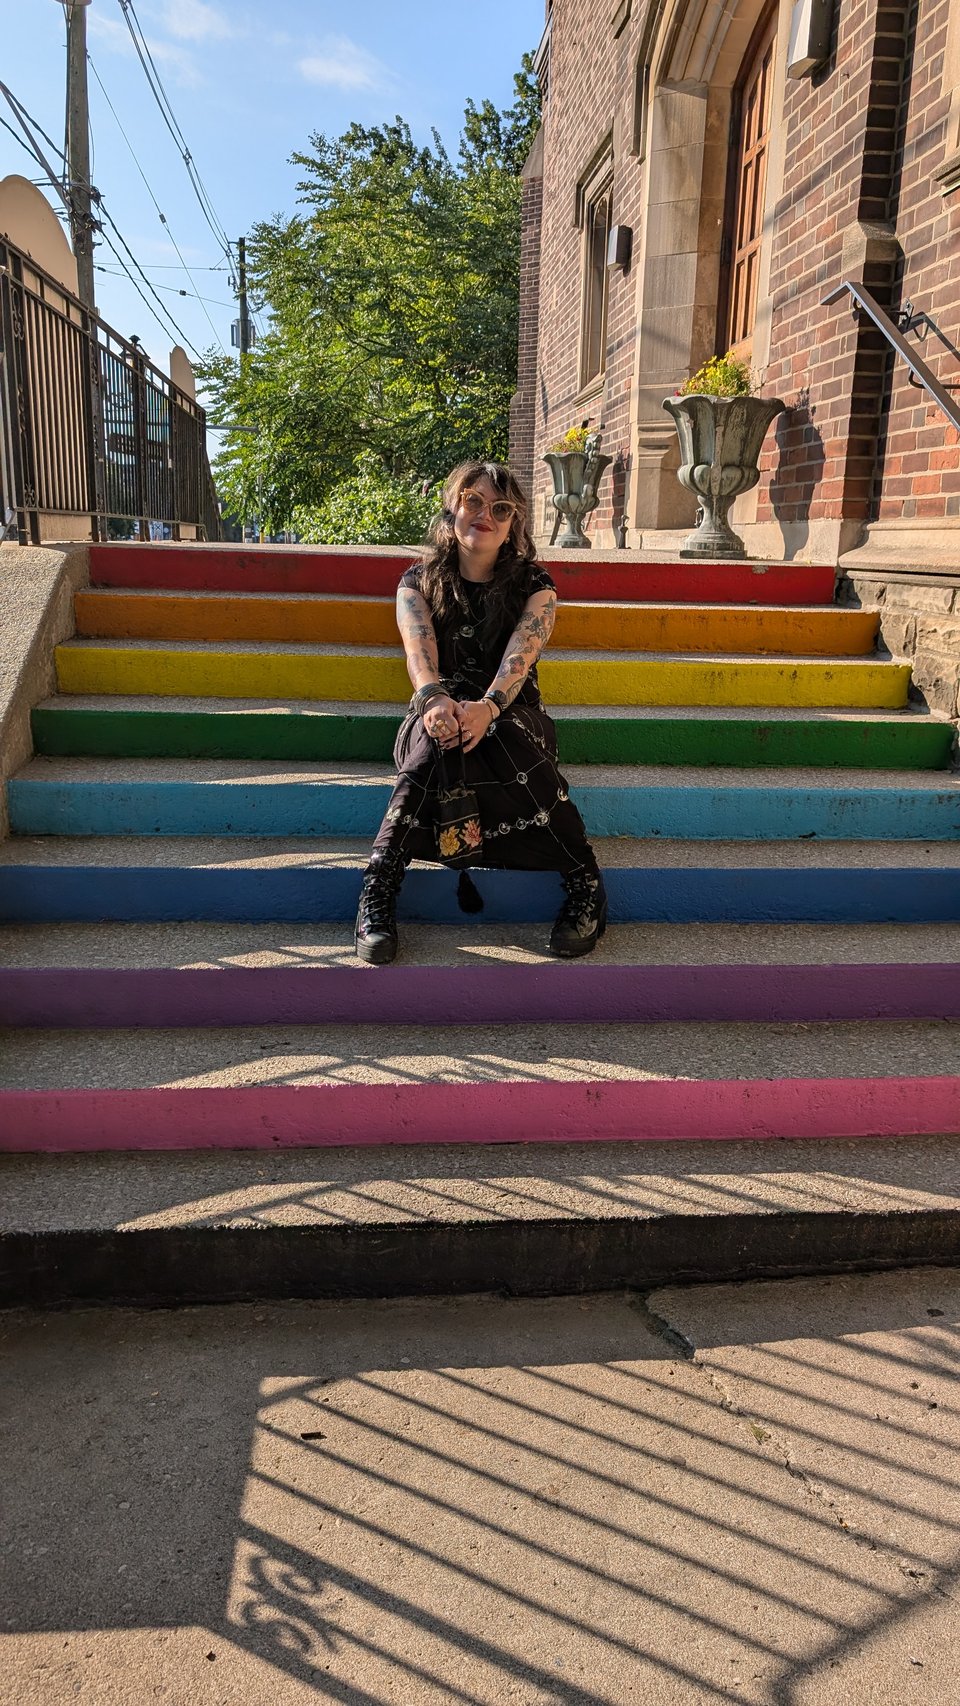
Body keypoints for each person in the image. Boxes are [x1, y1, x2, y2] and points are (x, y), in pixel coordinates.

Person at [354, 460, 607, 965]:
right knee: (434, 738)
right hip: (436, 707)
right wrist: (434, 701)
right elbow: (419, 653)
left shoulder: (536, 585)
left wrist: (488, 707)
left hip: (512, 713)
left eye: (501, 508)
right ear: (452, 508)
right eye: (473, 500)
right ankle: (378, 890)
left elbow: (520, 658)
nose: (485, 515)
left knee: (505, 737)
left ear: (513, 525)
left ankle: (585, 884)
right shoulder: (418, 581)